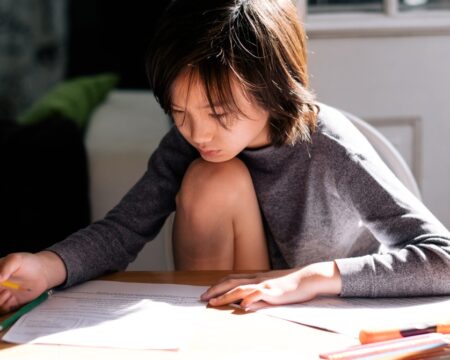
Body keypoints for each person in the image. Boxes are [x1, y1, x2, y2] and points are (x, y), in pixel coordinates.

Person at [1, 0, 450, 314]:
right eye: (178, 112)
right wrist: (47, 266)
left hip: (324, 312)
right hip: (234, 304)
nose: (197, 132)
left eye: (218, 113)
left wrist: (307, 279)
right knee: (211, 177)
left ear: (274, 91)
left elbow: (441, 260)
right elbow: (125, 229)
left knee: (213, 174)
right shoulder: (191, 144)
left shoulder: (331, 147)